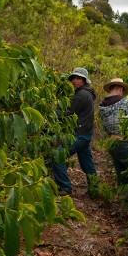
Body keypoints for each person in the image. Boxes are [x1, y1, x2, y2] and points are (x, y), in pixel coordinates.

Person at [53, 67, 98, 197]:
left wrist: (53, 113)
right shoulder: (87, 92)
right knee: (87, 164)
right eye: (73, 78)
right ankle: (95, 189)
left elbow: (69, 113)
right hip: (86, 133)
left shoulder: (81, 95)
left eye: (78, 78)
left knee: (58, 156)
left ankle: (65, 187)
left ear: (84, 80)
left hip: (80, 134)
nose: (75, 81)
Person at [99, 78, 128, 185]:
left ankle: (122, 198)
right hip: (122, 141)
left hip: (111, 142)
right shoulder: (125, 102)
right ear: (120, 89)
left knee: (121, 172)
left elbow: (105, 127)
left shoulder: (102, 105)